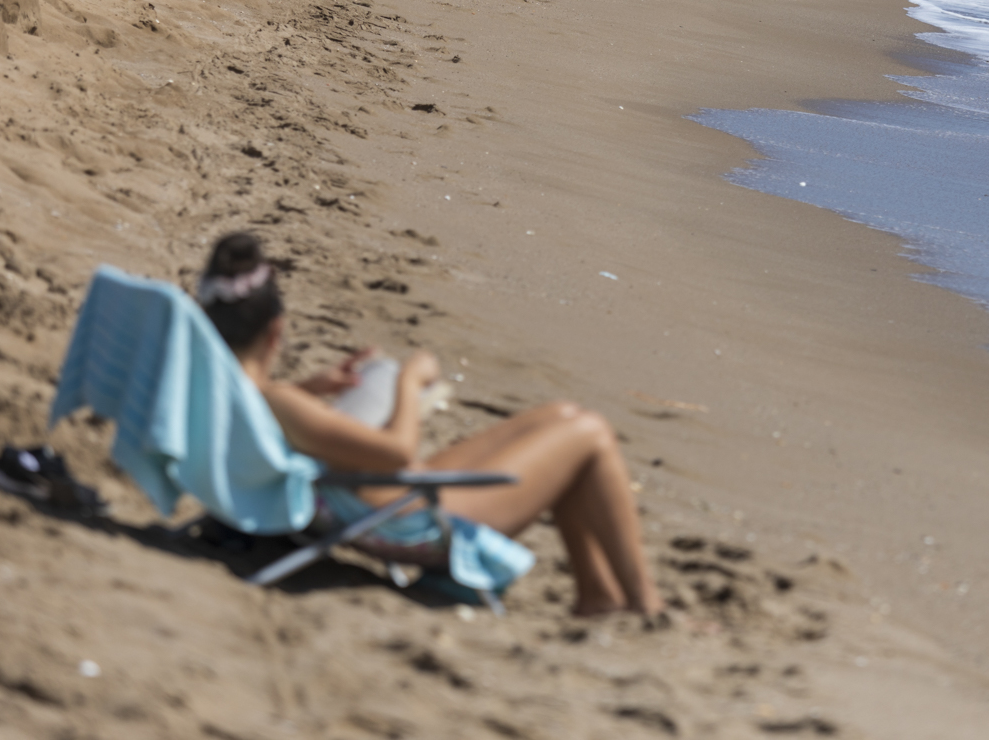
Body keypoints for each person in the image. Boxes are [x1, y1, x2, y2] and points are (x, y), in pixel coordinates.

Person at [198, 233, 663, 616]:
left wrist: (313, 390)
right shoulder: (275, 400)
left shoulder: (228, 394)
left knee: (560, 416)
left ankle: (599, 594)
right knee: (590, 433)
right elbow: (398, 451)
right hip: (406, 521)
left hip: (376, 496)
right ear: (275, 330)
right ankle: (647, 605)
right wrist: (409, 382)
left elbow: (297, 426)